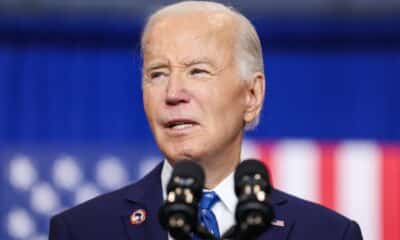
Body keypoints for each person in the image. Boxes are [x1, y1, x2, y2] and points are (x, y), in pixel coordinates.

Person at [49, 1, 363, 239]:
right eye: (157, 74)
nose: (173, 93)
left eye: (198, 71)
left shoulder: (327, 234)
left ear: (251, 95)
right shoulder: (82, 230)